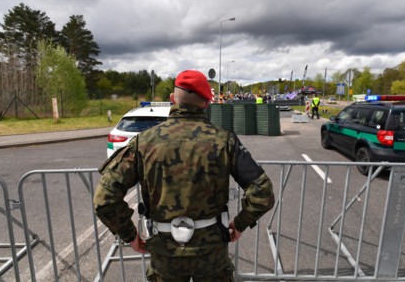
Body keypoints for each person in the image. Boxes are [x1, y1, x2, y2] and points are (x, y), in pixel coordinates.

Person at [93, 70, 275, 281]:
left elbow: (104, 200)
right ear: (207, 104)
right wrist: (240, 223)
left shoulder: (143, 143)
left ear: (172, 99)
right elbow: (263, 192)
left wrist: (130, 236)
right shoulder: (224, 141)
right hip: (212, 255)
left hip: (165, 254)